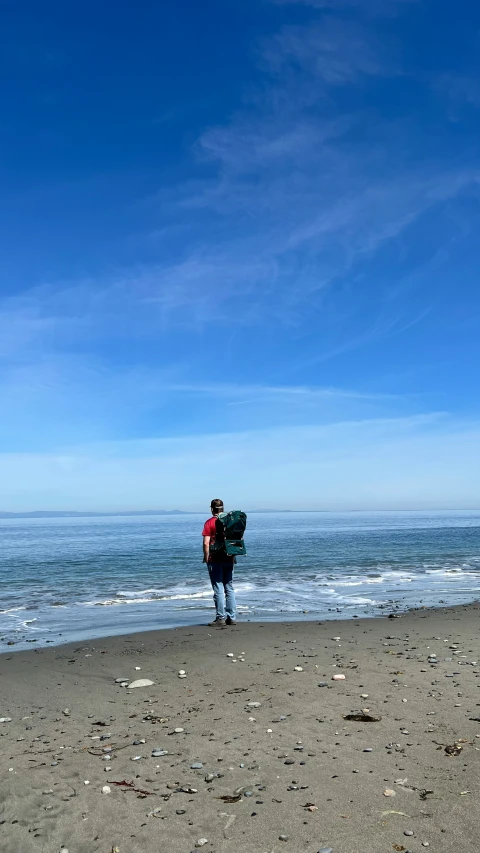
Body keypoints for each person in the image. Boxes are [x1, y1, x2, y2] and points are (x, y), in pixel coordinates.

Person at [202, 498, 236, 627]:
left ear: (211, 509)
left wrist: (206, 557)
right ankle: (232, 617)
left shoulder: (210, 522)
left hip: (215, 559)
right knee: (229, 588)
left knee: (218, 588)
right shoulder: (229, 521)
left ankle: (220, 618)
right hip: (229, 557)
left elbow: (206, 543)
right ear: (222, 508)